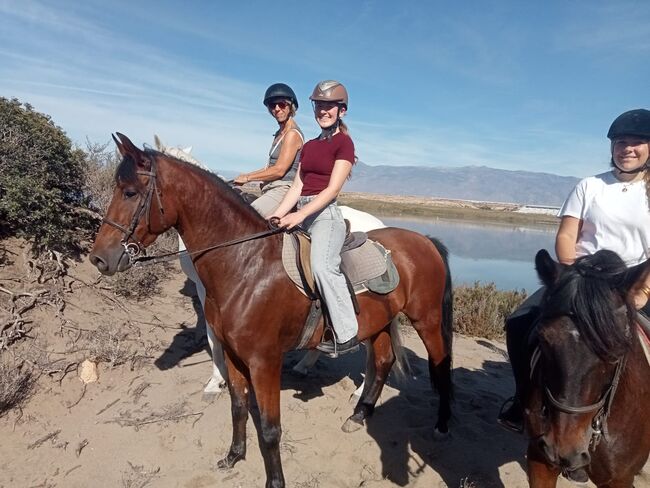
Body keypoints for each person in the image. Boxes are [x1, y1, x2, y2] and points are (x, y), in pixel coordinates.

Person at [498, 108, 650, 438]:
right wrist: (569, 278)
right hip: (582, 280)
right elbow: (567, 235)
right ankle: (523, 397)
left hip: (633, 282)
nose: (627, 148)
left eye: (636, 142)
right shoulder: (589, 186)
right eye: (621, 142)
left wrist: (643, 290)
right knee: (520, 321)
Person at [270, 80, 359, 356]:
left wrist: (300, 215)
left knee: (322, 267)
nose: (323, 111)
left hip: (325, 216)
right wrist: (277, 214)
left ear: (341, 111)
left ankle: (346, 333)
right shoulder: (308, 146)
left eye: (329, 106)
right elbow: (297, 186)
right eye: (319, 105)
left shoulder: (344, 144)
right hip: (302, 211)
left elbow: (332, 189)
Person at [234, 83, 304, 216]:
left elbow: (279, 170)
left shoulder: (292, 134)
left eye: (282, 104)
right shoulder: (279, 134)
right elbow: (269, 169)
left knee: (247, 217)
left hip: (283, 189)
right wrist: (243, 176)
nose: (277, 109)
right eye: (273, 105)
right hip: (271, 189)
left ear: (291, 106)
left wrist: (248, 178)